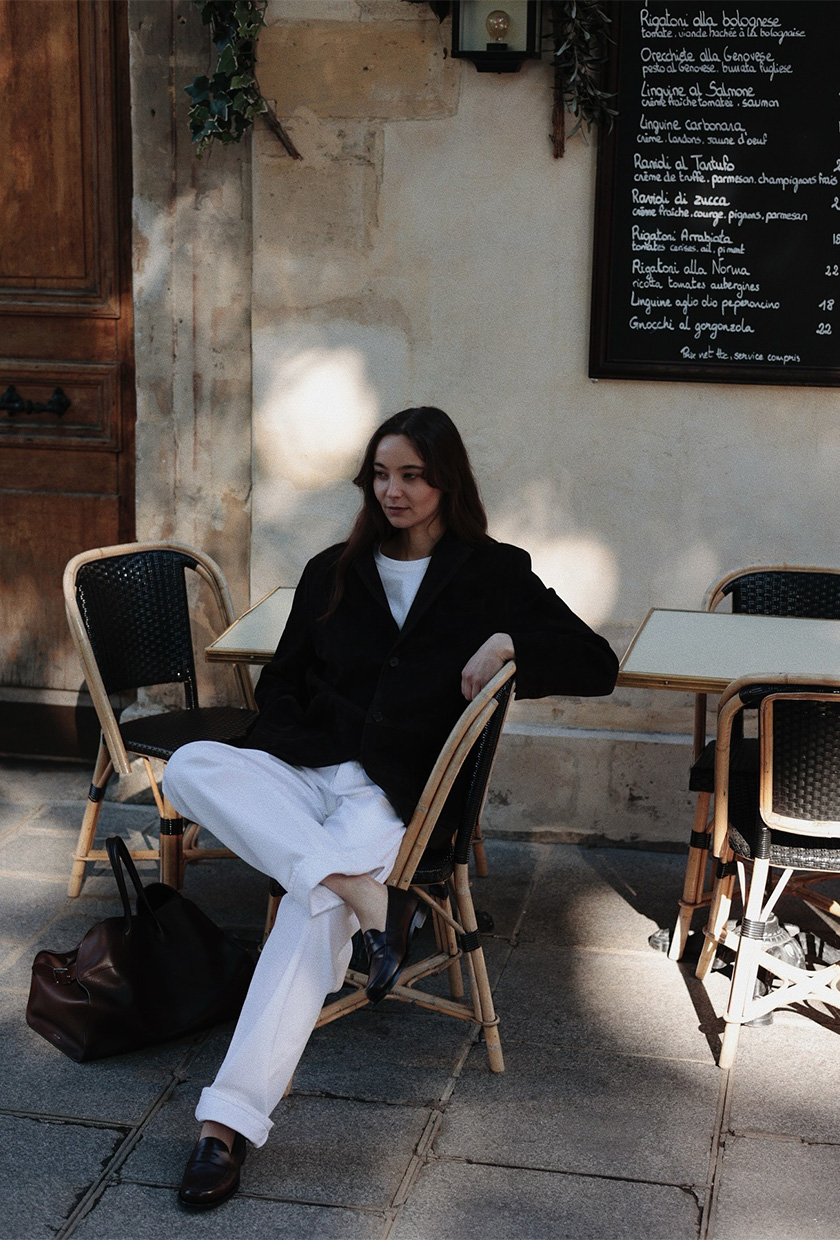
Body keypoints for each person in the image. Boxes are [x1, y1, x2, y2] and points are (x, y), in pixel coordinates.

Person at [163, 406, 618, 1210]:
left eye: (412, 474)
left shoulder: (493, 573)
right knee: (194, 764)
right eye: (381, 474)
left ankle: (223, 1128)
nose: (394, 490)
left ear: (446, 480)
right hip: (305, 772)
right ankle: (366, 897)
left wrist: (511, 640)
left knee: (308, 915)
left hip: (397, 791)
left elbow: (596, 662)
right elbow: (281, 687)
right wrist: (293, 744)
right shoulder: (331, 569)